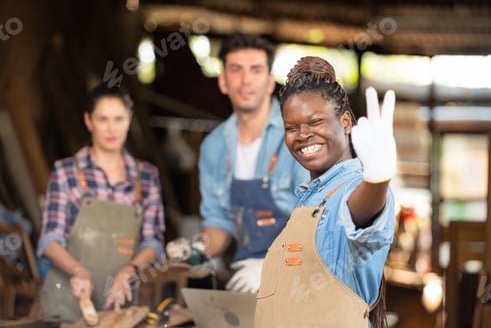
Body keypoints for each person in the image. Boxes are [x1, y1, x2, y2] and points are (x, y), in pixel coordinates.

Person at [254, 56, 397, 328]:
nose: (303, 134)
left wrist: (377, 180)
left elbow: (360, 212)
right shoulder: (310, 198)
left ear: (345, 121)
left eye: (315, 121)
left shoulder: (355, 187)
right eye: (291, 127)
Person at [166, 34, 308, 293]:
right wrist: (198, 250)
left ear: (268, 82)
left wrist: (272, 265)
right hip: (246, 279)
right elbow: (220, 222)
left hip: (301, 276)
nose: (245, 80)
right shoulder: (214, 147)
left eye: (255, 70)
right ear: (222, 82)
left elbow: (317, 220)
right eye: (236, 69)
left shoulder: (300, 136)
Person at [36, 83, 166, 321]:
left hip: (119, 297)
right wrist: (77, 270)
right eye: (102, 119)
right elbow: (49, 240)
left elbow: (153, 243)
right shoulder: (66, 172)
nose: (111, 128)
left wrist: (129, 271)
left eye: (118, 119)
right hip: (67, 295)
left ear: (129, 120)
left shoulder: (147, 177)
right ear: (88, 121)